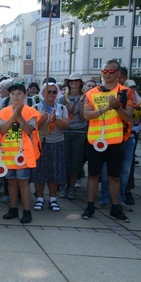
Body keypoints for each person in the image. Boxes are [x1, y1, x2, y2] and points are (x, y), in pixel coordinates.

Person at [81, 60, 135, 222]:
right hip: (95, 140)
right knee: (93, 175)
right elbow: (86, 115)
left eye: (112, 71)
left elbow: (128, 117)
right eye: (105, 71)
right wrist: (106, 108)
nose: (108, 74)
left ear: (119, 74)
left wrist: (118, 107)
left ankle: (115, 207)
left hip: (116, 141)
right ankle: (90, 206)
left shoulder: (126, 93)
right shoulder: (92, 93)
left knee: (114, 176)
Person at [0, 82, 41, 224]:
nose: (16, 96)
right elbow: (2, 130)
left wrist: (19, 116)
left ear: (25, 95)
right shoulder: (4, 112)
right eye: (13, 94)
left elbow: (28, 130)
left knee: (23, 182)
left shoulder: (30, 112)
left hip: (23, 155)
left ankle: (26, 211)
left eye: (19, 94)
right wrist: (14, 115)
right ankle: (13, 209)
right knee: (11, 182)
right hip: (7, 154)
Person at [31, 81, 69, 211]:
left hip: (57, 142)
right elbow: (31, 127)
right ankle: (40, 198)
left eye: (54, 92)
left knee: (55, 172)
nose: (51, 94)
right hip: (41, 142)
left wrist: (56, 119)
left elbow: (66, 125)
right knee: (39, 172)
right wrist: (42, 119)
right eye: (49, 91)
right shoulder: (35, 108)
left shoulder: (62, 108)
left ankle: (53, 198)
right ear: (43, 93)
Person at [58, 72, 87, 200]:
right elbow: (61, 116)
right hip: (65, 131)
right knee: (64, 161)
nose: (73, 83)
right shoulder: (63, 98)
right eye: (71, 81)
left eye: (76, 81)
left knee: (76, 162)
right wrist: (68, 104)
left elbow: (82, 118)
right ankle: (63, 187)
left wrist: (81, 105)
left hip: (79, 132)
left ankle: (72, 187)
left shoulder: (85, 97)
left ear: (80, 82)